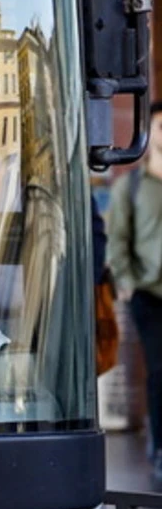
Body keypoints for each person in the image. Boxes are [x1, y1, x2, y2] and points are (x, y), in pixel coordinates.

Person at [107, 108, 162, 464]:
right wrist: (126, 282)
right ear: (149, 132)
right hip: (149, 293)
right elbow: (117, 238)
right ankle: (159, 445)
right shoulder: (133, 185)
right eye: (161, 127)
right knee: (159, 370)